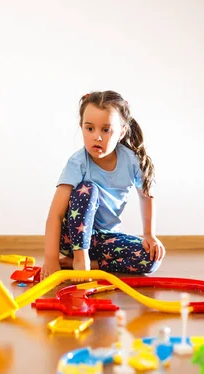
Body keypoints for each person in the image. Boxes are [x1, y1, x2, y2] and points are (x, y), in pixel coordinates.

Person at [41, 90, 165, 280]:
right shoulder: (78, 163)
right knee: (88, 190)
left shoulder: (131, 160)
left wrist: (149, 234)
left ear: (122, 131)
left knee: (152, 259)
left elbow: (146, 195)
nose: (97, 137)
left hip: (105, 241)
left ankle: (84, 264)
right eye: (89, 129)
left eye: (106, 130)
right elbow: (55, 214)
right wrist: (50, 259)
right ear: (81, 127)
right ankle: (80, 258)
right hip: (71, 239)